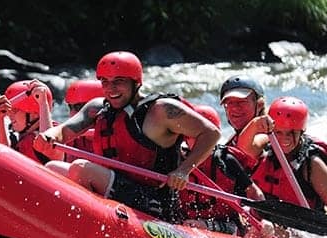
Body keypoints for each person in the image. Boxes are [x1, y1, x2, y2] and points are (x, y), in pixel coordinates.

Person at [34, 51, 220, 222]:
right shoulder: (98, 108)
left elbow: (211, 133)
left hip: (152, 200)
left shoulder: (161, 110)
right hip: (116, 188)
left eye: (118, 81)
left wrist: (184, 170)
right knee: (53, 168)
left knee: (81, 169)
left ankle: (87, 224)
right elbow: (65, 130)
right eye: (105, 81)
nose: (110, 88)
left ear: (136, 82)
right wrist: (50, 136)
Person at [179, 104, 274, 238]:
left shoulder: (225, 160)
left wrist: (265, 219)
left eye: (202, 136)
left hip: (228, 226)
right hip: (185, 223)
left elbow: (254, 193)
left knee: (200, 225)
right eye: (190, 135)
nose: (195, 141)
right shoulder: (178, 160)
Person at [252, 96, 327, 219]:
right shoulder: (263, 149)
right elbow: (243, 147)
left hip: (302, 229)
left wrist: (317, 223)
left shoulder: (312, 164)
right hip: (267, 223)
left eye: (292, 133)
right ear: (271, 130)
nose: (285, 138)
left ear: (301, 131)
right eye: (279, 132)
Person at [219, 75, 273, 169]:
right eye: (229, 103)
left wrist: (255, 123)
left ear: (259, 105)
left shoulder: (268, 135)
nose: (235, 108)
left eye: (242, 102)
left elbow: (245, 149)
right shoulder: (232, 140)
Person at [0, 79, 54, 163]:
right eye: (8, 110)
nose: (9, 115)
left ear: (35, 113)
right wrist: (0, 120)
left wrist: (42, 103)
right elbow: (3, 157)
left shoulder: (57, 133)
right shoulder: (16, 136)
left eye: (14, 110)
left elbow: (48, 146)